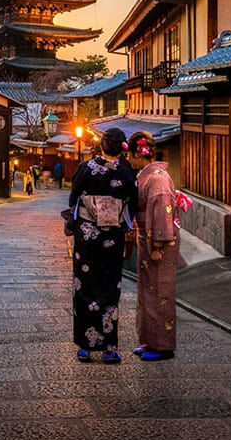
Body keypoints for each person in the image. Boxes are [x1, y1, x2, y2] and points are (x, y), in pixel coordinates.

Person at [67, 127, 137, 364]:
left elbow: (74, 198)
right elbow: (132, 205)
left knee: (84, 287)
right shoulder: (127, 173)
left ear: (102, 145)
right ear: (122, 148)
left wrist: (78, 220)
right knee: (109, 289)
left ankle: (85, 347)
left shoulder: (85, 168)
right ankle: (109, 348)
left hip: (87, 237)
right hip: (112, 238)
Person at [126, 131, 180, 361]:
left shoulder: (157, 179)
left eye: (130, 154)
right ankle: (148, 339)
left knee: (160, 292)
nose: (127, 158)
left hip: (159, 243)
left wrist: (158, 244)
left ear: (140, 152)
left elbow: (161, 213)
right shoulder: (147, 175)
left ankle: (163, 346)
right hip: (147, 239)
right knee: (148, 290)